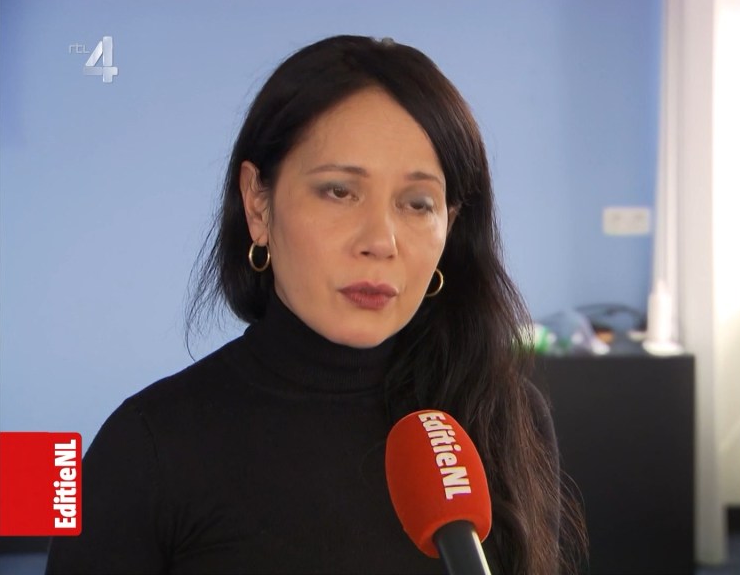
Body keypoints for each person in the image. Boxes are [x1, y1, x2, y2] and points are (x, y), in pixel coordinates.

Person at [46, 35, 586, 574]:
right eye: (339, 192)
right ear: (258, 203)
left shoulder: (508, 417)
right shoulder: (148, 447)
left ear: (451, 224)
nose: (381, 241)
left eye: (417, 203)